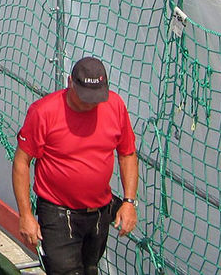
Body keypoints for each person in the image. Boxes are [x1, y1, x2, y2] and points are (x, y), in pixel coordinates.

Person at [12, 56, 138, 275]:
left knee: (90, 269)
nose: (90, 104)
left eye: (96, 98)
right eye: (85, 97)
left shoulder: (115, 106)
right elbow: (22, 163)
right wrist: (26, 215)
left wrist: (129, 202)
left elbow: (127, 154)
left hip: (98, 214)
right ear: (70, 82)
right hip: (58, 214)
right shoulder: (44, 112)